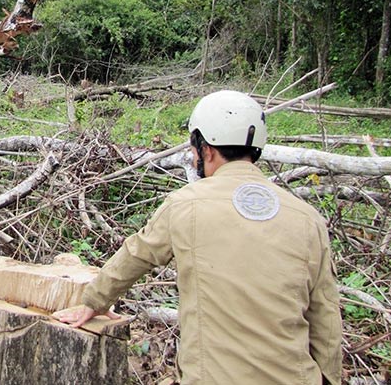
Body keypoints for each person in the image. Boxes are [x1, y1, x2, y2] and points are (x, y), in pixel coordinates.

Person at [54, 90, 343, 385]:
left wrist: (94, 301)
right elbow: (326, 317)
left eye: (194, 149)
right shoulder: (308, 219)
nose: (193, 158)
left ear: (206, 149)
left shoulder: (186, 204)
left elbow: (136, 254)